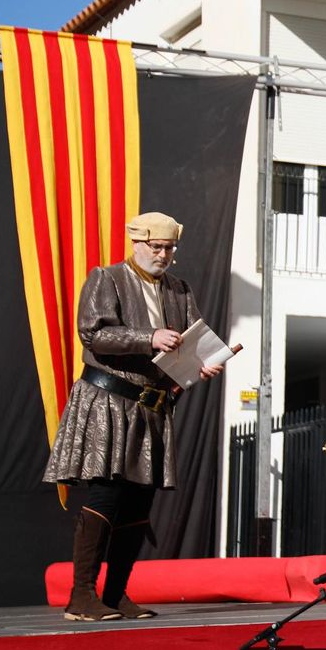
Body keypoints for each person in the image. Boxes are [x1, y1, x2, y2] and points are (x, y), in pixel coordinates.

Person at [43, 212, 224, 621]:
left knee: (139, 504)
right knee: (107, 494)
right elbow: (93, 334)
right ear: (137, 244)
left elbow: (189, 343)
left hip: (152, 408)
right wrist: (149, 337)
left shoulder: (180, 290)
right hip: (109, 402)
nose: (162, 255)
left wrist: (201, 364)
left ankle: (115, 594)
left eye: (168, 249)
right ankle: (81, 595)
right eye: (155, 247)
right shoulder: (106, 278)